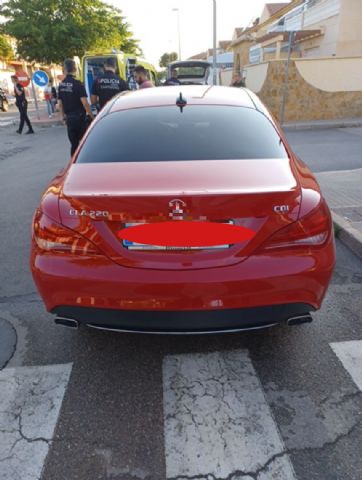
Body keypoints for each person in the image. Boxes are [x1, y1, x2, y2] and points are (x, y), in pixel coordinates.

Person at [58, 59, 94, 156]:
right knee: (83, 144)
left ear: (64, 70)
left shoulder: (61, 85)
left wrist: (62, 117)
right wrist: (92, 116)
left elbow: (60, 104)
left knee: (74, 144)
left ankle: (73, 164)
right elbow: (85, 103)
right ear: (74, 69)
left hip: (69, 119)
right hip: (80, 118)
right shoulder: (78, 84)